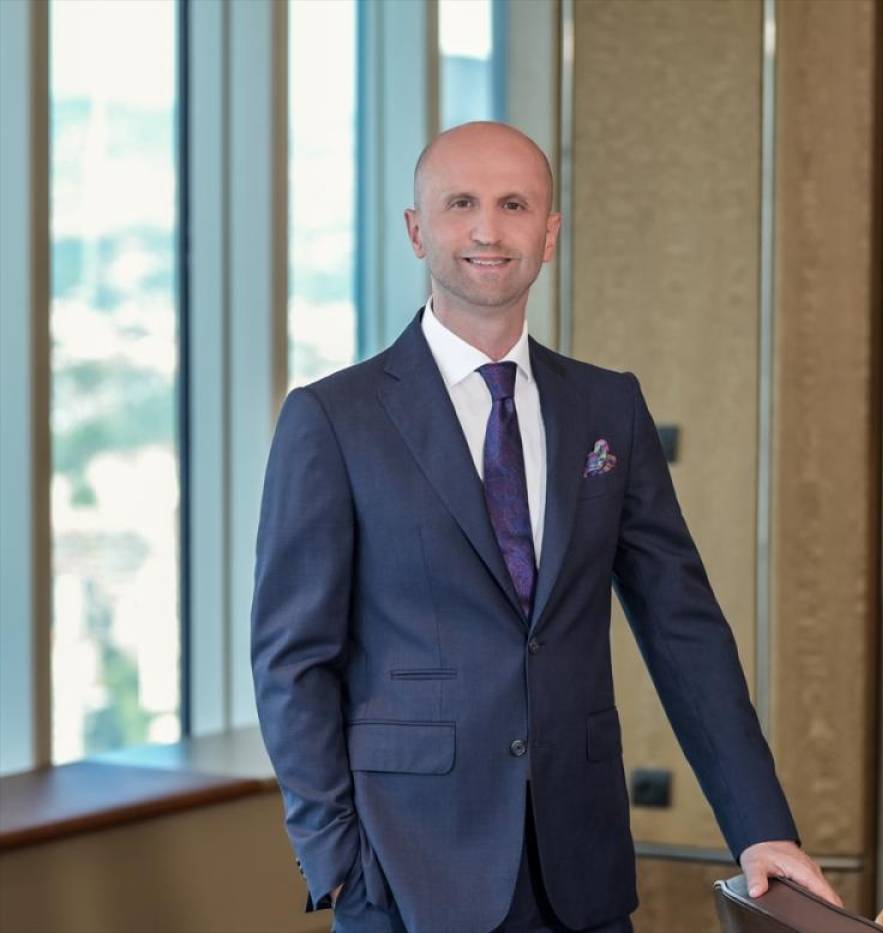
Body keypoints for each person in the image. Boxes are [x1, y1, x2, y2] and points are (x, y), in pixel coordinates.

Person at [250, 121, 840, 933]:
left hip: (581, 871)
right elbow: (292, 660)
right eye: (461, 204)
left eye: (515, 205)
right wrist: (336, 860)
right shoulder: (333, 420)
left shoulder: (607, 407)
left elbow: (684, 626)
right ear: (416, 230)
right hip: (407, 876)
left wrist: (760, 825)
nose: (488, 230)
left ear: (550, 234)